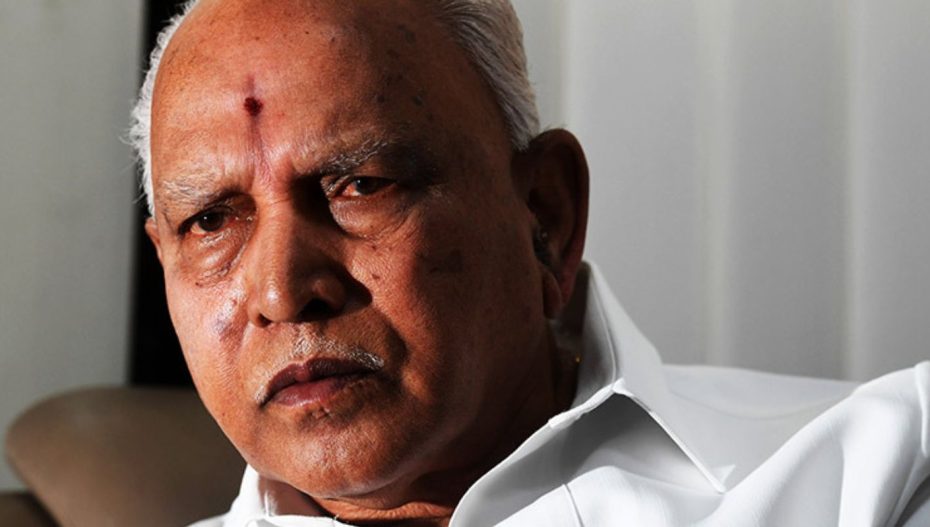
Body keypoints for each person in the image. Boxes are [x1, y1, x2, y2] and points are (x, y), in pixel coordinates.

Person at [130, 0, 930, 525]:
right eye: (209, 222)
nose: (281, 289)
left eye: (361, 185)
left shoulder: (876, 469)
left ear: (546, 215)